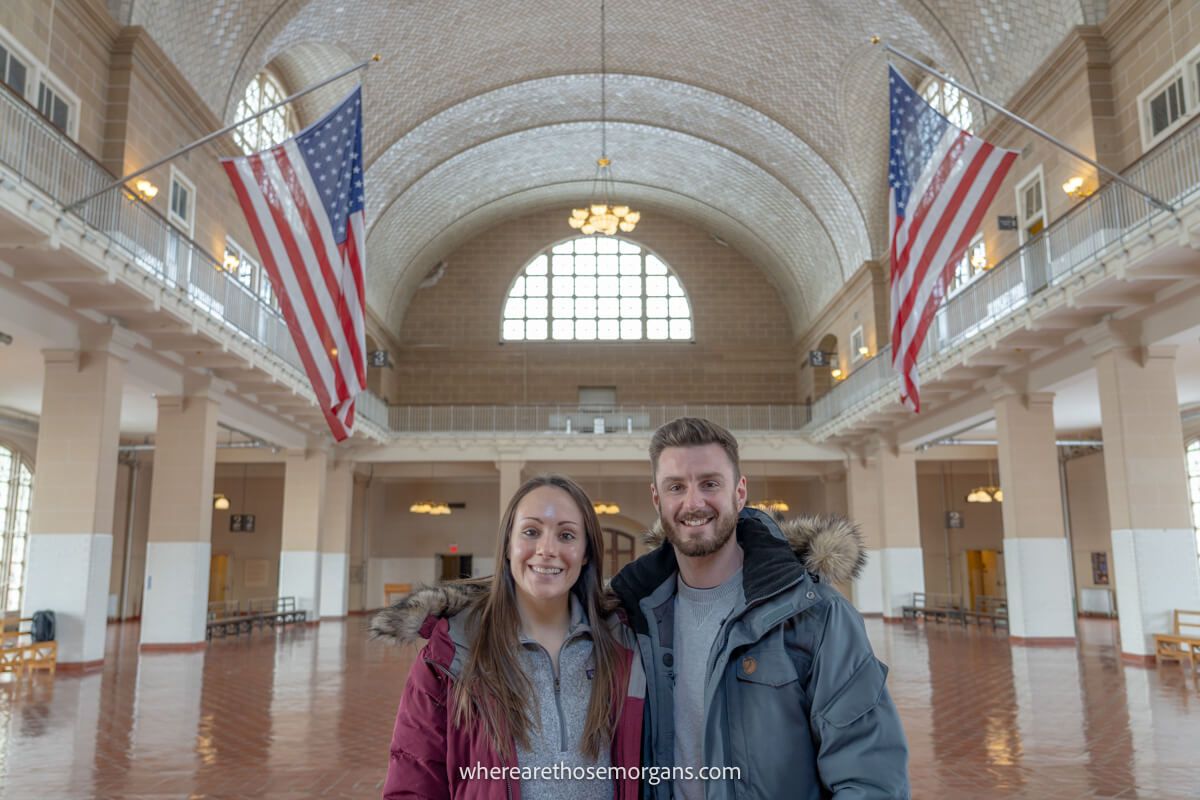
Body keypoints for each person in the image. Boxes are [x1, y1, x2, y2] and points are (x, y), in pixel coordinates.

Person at [610, 417, 910, 799]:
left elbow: (870, 777)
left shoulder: (815, 615)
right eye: (676, 487)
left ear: (739, 492)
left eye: (710, 484)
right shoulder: (630, 616)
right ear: (658, 499)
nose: (693, 502)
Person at [372, 474, 645, 800]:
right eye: (531, 532)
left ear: (586, 552)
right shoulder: (450, 654)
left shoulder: (625, 645)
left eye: (567, 535)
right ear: (507, 546)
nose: (547, 549)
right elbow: (414, 779)